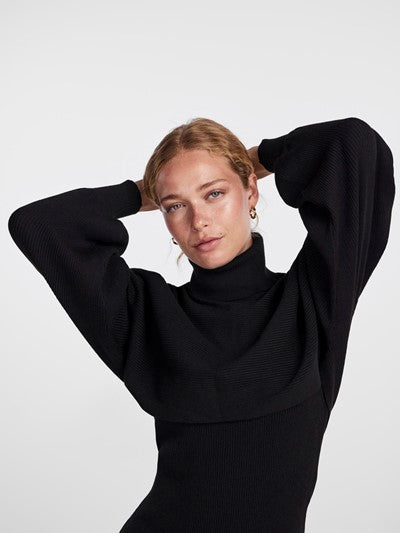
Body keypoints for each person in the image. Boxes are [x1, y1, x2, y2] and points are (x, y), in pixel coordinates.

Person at [8, 116, 395, 532]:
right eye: (176, 205)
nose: (198, 220)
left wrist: (258, 158)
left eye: (214, 193)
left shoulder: (313, 300)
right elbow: (39, 225)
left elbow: (350, 143)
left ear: (250, 191)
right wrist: (141, 193)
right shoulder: (146, 316)